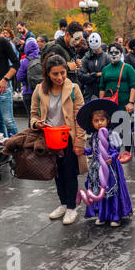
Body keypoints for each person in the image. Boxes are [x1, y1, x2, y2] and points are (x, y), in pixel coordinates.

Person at [30, 54, 88, 225]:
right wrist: (36, 123)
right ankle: (63, 203)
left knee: (69, 172)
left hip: (68, 138)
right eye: (55, 74)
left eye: (63, 73)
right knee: (56, 172)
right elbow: (33, 114)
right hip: (49, 138)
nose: (60, 77)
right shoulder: (40, 89)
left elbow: (81, 117)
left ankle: (71, 207)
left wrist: (79, 142)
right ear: (47, 73)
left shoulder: (73, 89)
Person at [76, 99, 132, 227]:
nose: (100, 123)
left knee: (111, 191)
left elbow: (116, 149)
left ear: (107, 120)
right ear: (92, 123)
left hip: (110, 167)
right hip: (97, 167)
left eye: (102, 120)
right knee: (98, 190)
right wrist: (83, 151)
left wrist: (111, 157)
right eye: (96, 120)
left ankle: (115, 216)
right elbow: (94, 150)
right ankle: (102, 215)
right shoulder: (95, 136)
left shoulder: (112, 134)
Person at [100, 42, 135, 163]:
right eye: (111, 52)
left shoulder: (127, 68)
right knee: (112, 127)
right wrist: (100, 104)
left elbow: (134, 86)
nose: (114, 55)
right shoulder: (105, 69)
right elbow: (101, 87)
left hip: (124, 103)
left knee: (126, 127)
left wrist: (131, 102)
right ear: (108, 53)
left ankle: (127, 151)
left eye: (116, 52)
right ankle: (114, 151)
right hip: (109, 103)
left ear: (121, 54)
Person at [77, 32, 110, 102]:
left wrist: (90, 75)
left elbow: (108, 76)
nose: (95, 50)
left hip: (103, 93)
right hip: (89, 95)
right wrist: (97, 74)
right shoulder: (86, 57)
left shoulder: (107, 58)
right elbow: (81, 76)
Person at [16, 40, 40, 128]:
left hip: (28, 92)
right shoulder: (42, 59)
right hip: (41, 92)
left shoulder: (24, 61)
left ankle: (31, 138)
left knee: (32, 117)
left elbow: (19, 77)